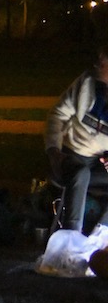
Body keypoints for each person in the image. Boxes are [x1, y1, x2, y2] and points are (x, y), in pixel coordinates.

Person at [44, 45, 108, 234]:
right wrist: (53, 151)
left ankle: (100, 236)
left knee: (87, 174)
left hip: (99, 163)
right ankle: (71, 237)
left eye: (104, 59)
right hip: (71, 157)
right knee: (81, 174)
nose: (99, 61)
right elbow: (56, 116)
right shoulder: (86, 83)